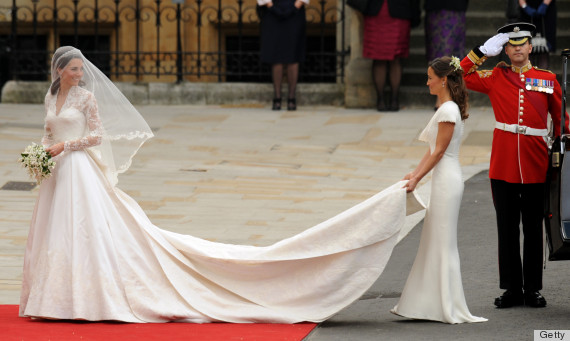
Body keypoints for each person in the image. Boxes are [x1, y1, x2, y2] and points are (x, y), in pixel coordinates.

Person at [19, 46, 425, 323]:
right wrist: (41, 155)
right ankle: (53, 296)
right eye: (73, 70)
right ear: (59, 72)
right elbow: (46, 130)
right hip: (58, 173)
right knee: (56, 231)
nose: (78, 74)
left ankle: (89, 295)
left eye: (80, 69)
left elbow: (96, 137)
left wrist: (62, 147)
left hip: (79, 169)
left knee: (86, 229)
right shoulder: (51, 97)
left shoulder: (86, 99)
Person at [460, 23, 569, 308]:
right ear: (504, 50)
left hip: (535, 163)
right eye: (511, 44)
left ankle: (532, 288)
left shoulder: (547, 79)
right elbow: (456, 76)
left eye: (522, 44)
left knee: (533, 228)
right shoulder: (496, 76)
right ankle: (511, 289)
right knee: (506, 228)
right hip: (504, 164)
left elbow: (561, 121)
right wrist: (480, 52)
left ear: (531, 47)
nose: (518, 48)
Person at [390, 56, 487, 324]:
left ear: (443, 79)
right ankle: (427, 304)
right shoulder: (447, 107)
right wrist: (415, 173)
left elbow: (440, 151)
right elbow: (431, 150)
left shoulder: (447, 111)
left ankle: (446, 305)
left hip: (447, 180)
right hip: (444, 178)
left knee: (443, 242)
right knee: (434, 241)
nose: (427, 81)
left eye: (431, 77)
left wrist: (418, 178)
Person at [362, 0, 420, 112]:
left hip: (399, 11)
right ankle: (380, 99)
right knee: (378, 56)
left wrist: (415, 14)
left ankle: (394, 99)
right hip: (376, 12)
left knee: (396, 57)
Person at [258, 0, 308, 111]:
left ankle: (291, 97)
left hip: (295, 12)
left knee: (293, 54)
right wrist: (270, 6)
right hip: (272, 12)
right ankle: (277, 97)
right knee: (276, 55)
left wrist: (296, 6)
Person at [424, 0, 469, 110]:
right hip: (436, 9)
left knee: (453, 51)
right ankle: (442, 95)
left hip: (455, 8)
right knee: (438, 52)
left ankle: (450, 94)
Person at [518, 0, 557, 69]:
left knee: (544, 51)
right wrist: (525, 6)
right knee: (527, 49)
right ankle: (529, 77)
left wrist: (545, 5)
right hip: (526, 12)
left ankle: (543, 78)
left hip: (547, 12)